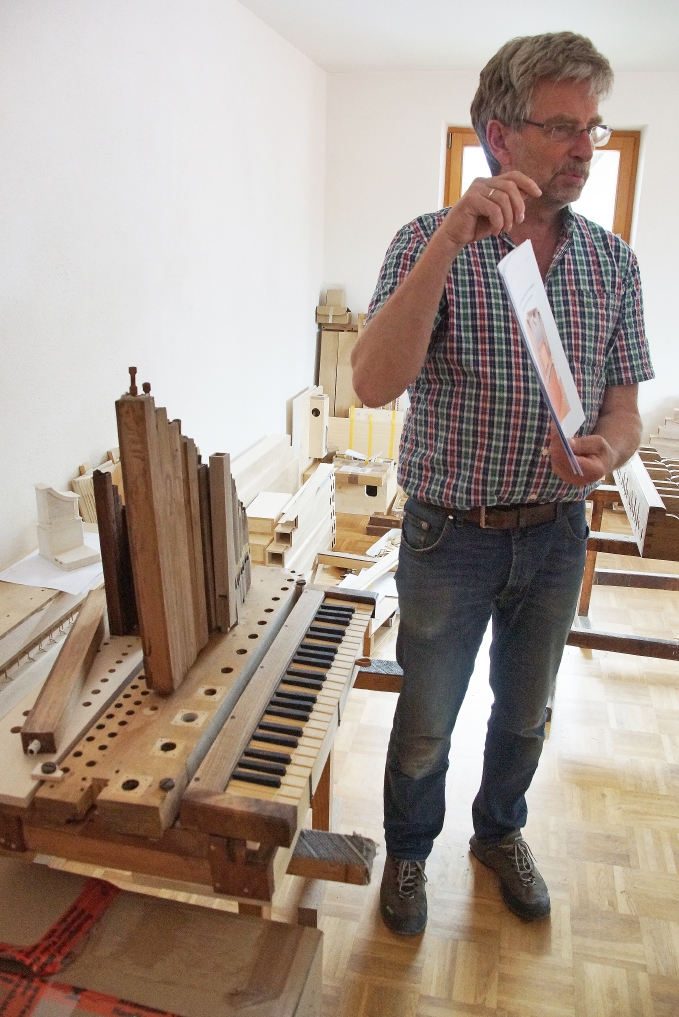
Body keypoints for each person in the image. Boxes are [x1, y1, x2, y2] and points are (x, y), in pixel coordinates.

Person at [351, 32, 654, 934]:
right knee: (426, 717)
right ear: (498, 135)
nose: (583, 148)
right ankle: (409, 853)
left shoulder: (613, 263)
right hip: (450, 532)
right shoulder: (425, 239)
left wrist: (607, 452)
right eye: (562, 127)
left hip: (557, 533)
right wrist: (451, 240)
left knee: (524, 714)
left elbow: (624, 410)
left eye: (592, 128)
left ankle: (498, 833)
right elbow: (371, 383)